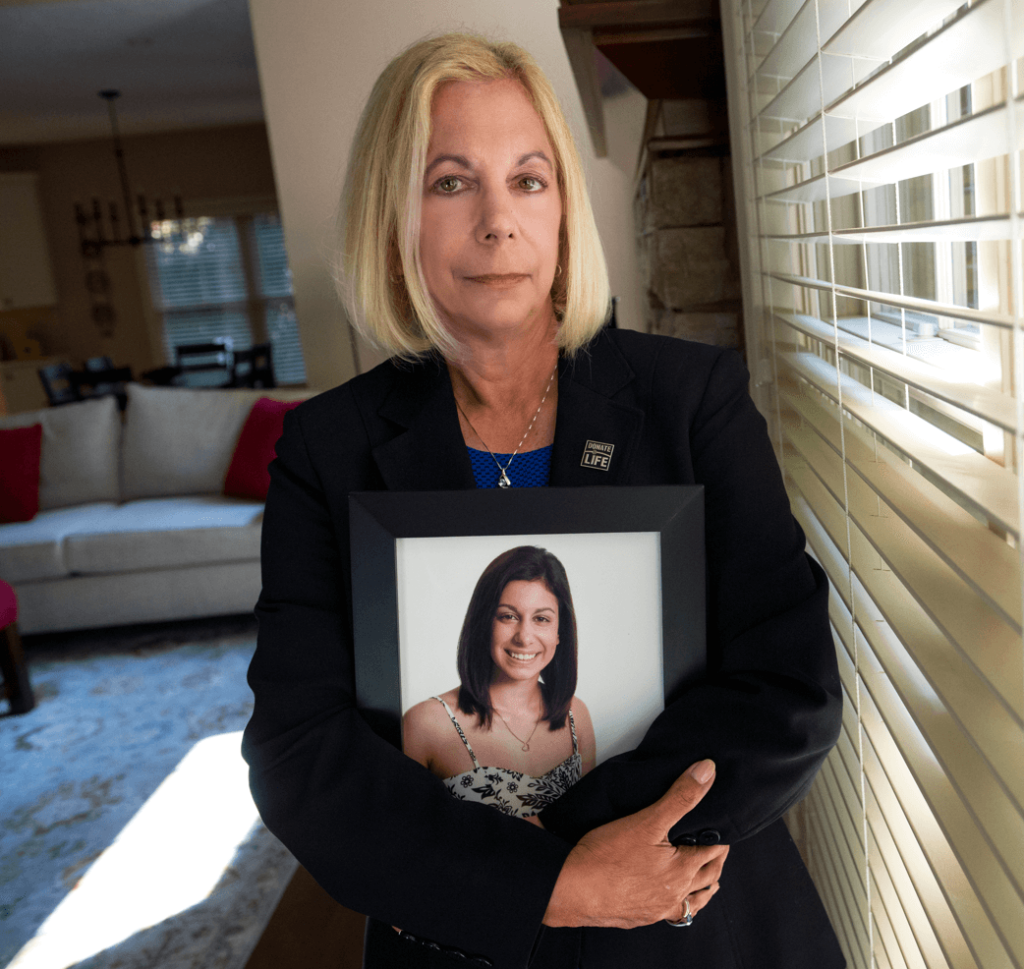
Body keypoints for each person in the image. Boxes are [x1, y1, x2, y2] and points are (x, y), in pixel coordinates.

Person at [242, 31, 845, 969]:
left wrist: (600, 858)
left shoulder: (694, 399)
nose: (497, 221)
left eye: (528, 179)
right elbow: (299, 755)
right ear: (391, 216)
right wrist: (549, 885)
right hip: (461, 941)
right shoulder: (326, 450)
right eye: (450, 182)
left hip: (697, 927)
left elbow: (789, 690)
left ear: (564, 209)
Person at [403, 546, 597, 818]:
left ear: (559, 632)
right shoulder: (425, 723)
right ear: (484, 623)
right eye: (508, 616)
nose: (524, 637)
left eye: (541, 619)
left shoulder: (576, 715)